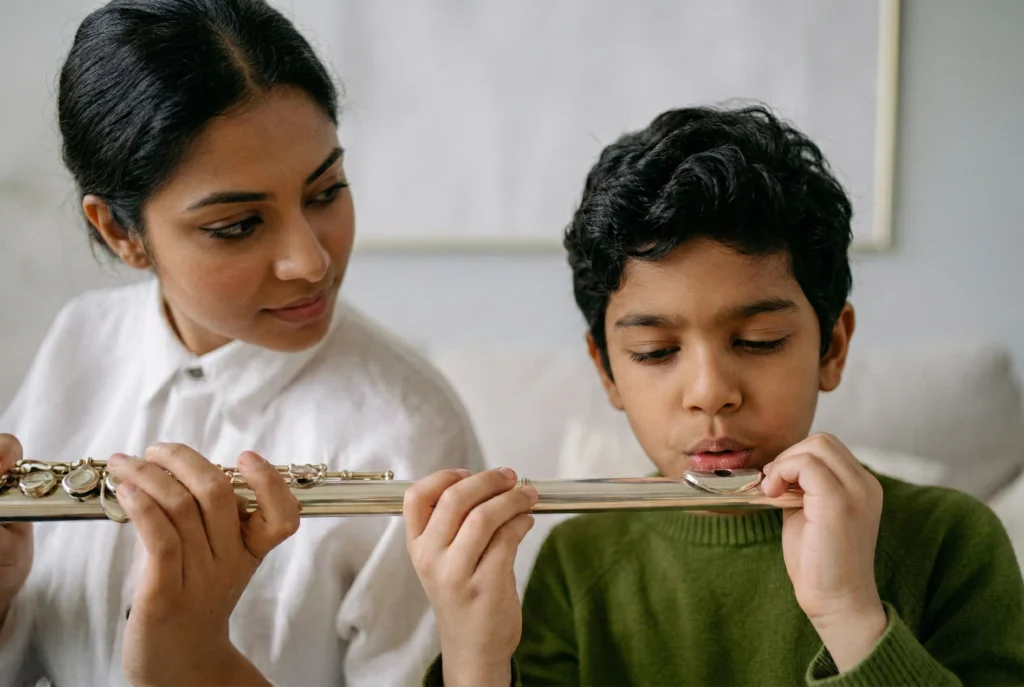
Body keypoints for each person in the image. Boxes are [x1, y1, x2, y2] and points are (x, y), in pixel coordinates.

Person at [404, 105, 1024, 686]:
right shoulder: (576, 562)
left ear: (832, 348)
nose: (709, 393)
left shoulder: (952, 540)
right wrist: (475, 655)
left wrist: (850, 613)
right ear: (608, 372)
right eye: (654, 352)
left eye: (757, 340)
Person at [0, 1, 484, 685]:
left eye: (327, 191)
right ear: (119, 231)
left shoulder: (411, 429)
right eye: (237, 225)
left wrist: (194, 653)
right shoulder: (81, 338)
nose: (310, 262)